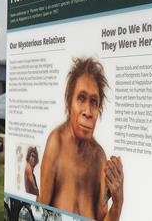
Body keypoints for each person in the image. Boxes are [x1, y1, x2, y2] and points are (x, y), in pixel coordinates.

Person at [36, 58, 124, 221]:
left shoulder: (99, 157)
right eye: (81, 98)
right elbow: (41, 209)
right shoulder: (57, 143)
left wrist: (118, 201)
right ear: (69, 103)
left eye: (94, 102)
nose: (88, 112)